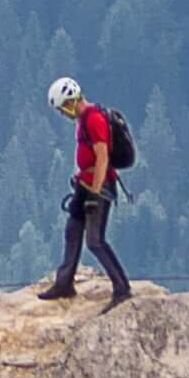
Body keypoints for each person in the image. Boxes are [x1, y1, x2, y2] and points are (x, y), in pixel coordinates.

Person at [39, 75, 131, 305]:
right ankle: (64, 283)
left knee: (95, 241)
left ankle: (122, 288)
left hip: (98, 187)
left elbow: (102, 157)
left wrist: (94, 193)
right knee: (72, 230)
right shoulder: (84, 119)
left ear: (71, 102)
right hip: (85, 183)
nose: (63, 114)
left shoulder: (94, 119)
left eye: (62, 109)